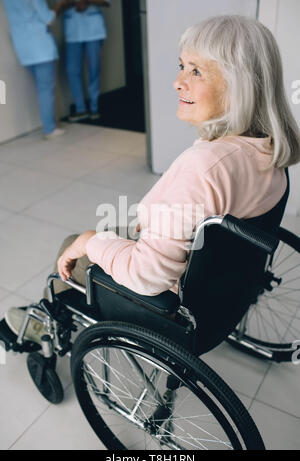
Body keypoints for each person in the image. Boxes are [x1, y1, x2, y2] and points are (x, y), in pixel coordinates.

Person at [5, 15, 300, 343]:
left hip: (173, 308)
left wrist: (89, 240)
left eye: (196, 70)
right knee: (112, 236)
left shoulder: (206, 165)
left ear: (238, 84)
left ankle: (47, 326)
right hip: (227, 295)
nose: (178, 81)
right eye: (182, 65)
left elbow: (149, 277)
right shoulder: (270, 149)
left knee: (73, 245)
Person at [3, 0, 69, 139]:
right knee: (45, 89)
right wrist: (61, 5)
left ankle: (49, 125)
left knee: (42, 89)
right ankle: (49, 129)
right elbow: (48, 18)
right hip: (40, 46)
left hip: (23, 47)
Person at [59, 0, 110, 122]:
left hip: (93, 28)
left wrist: (86, 1)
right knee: (72, 70)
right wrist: (74, 2)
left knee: (94, 68)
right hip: (73, 29)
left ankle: (94, 107)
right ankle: (80, 108)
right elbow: (59, 4)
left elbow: (107, 2)